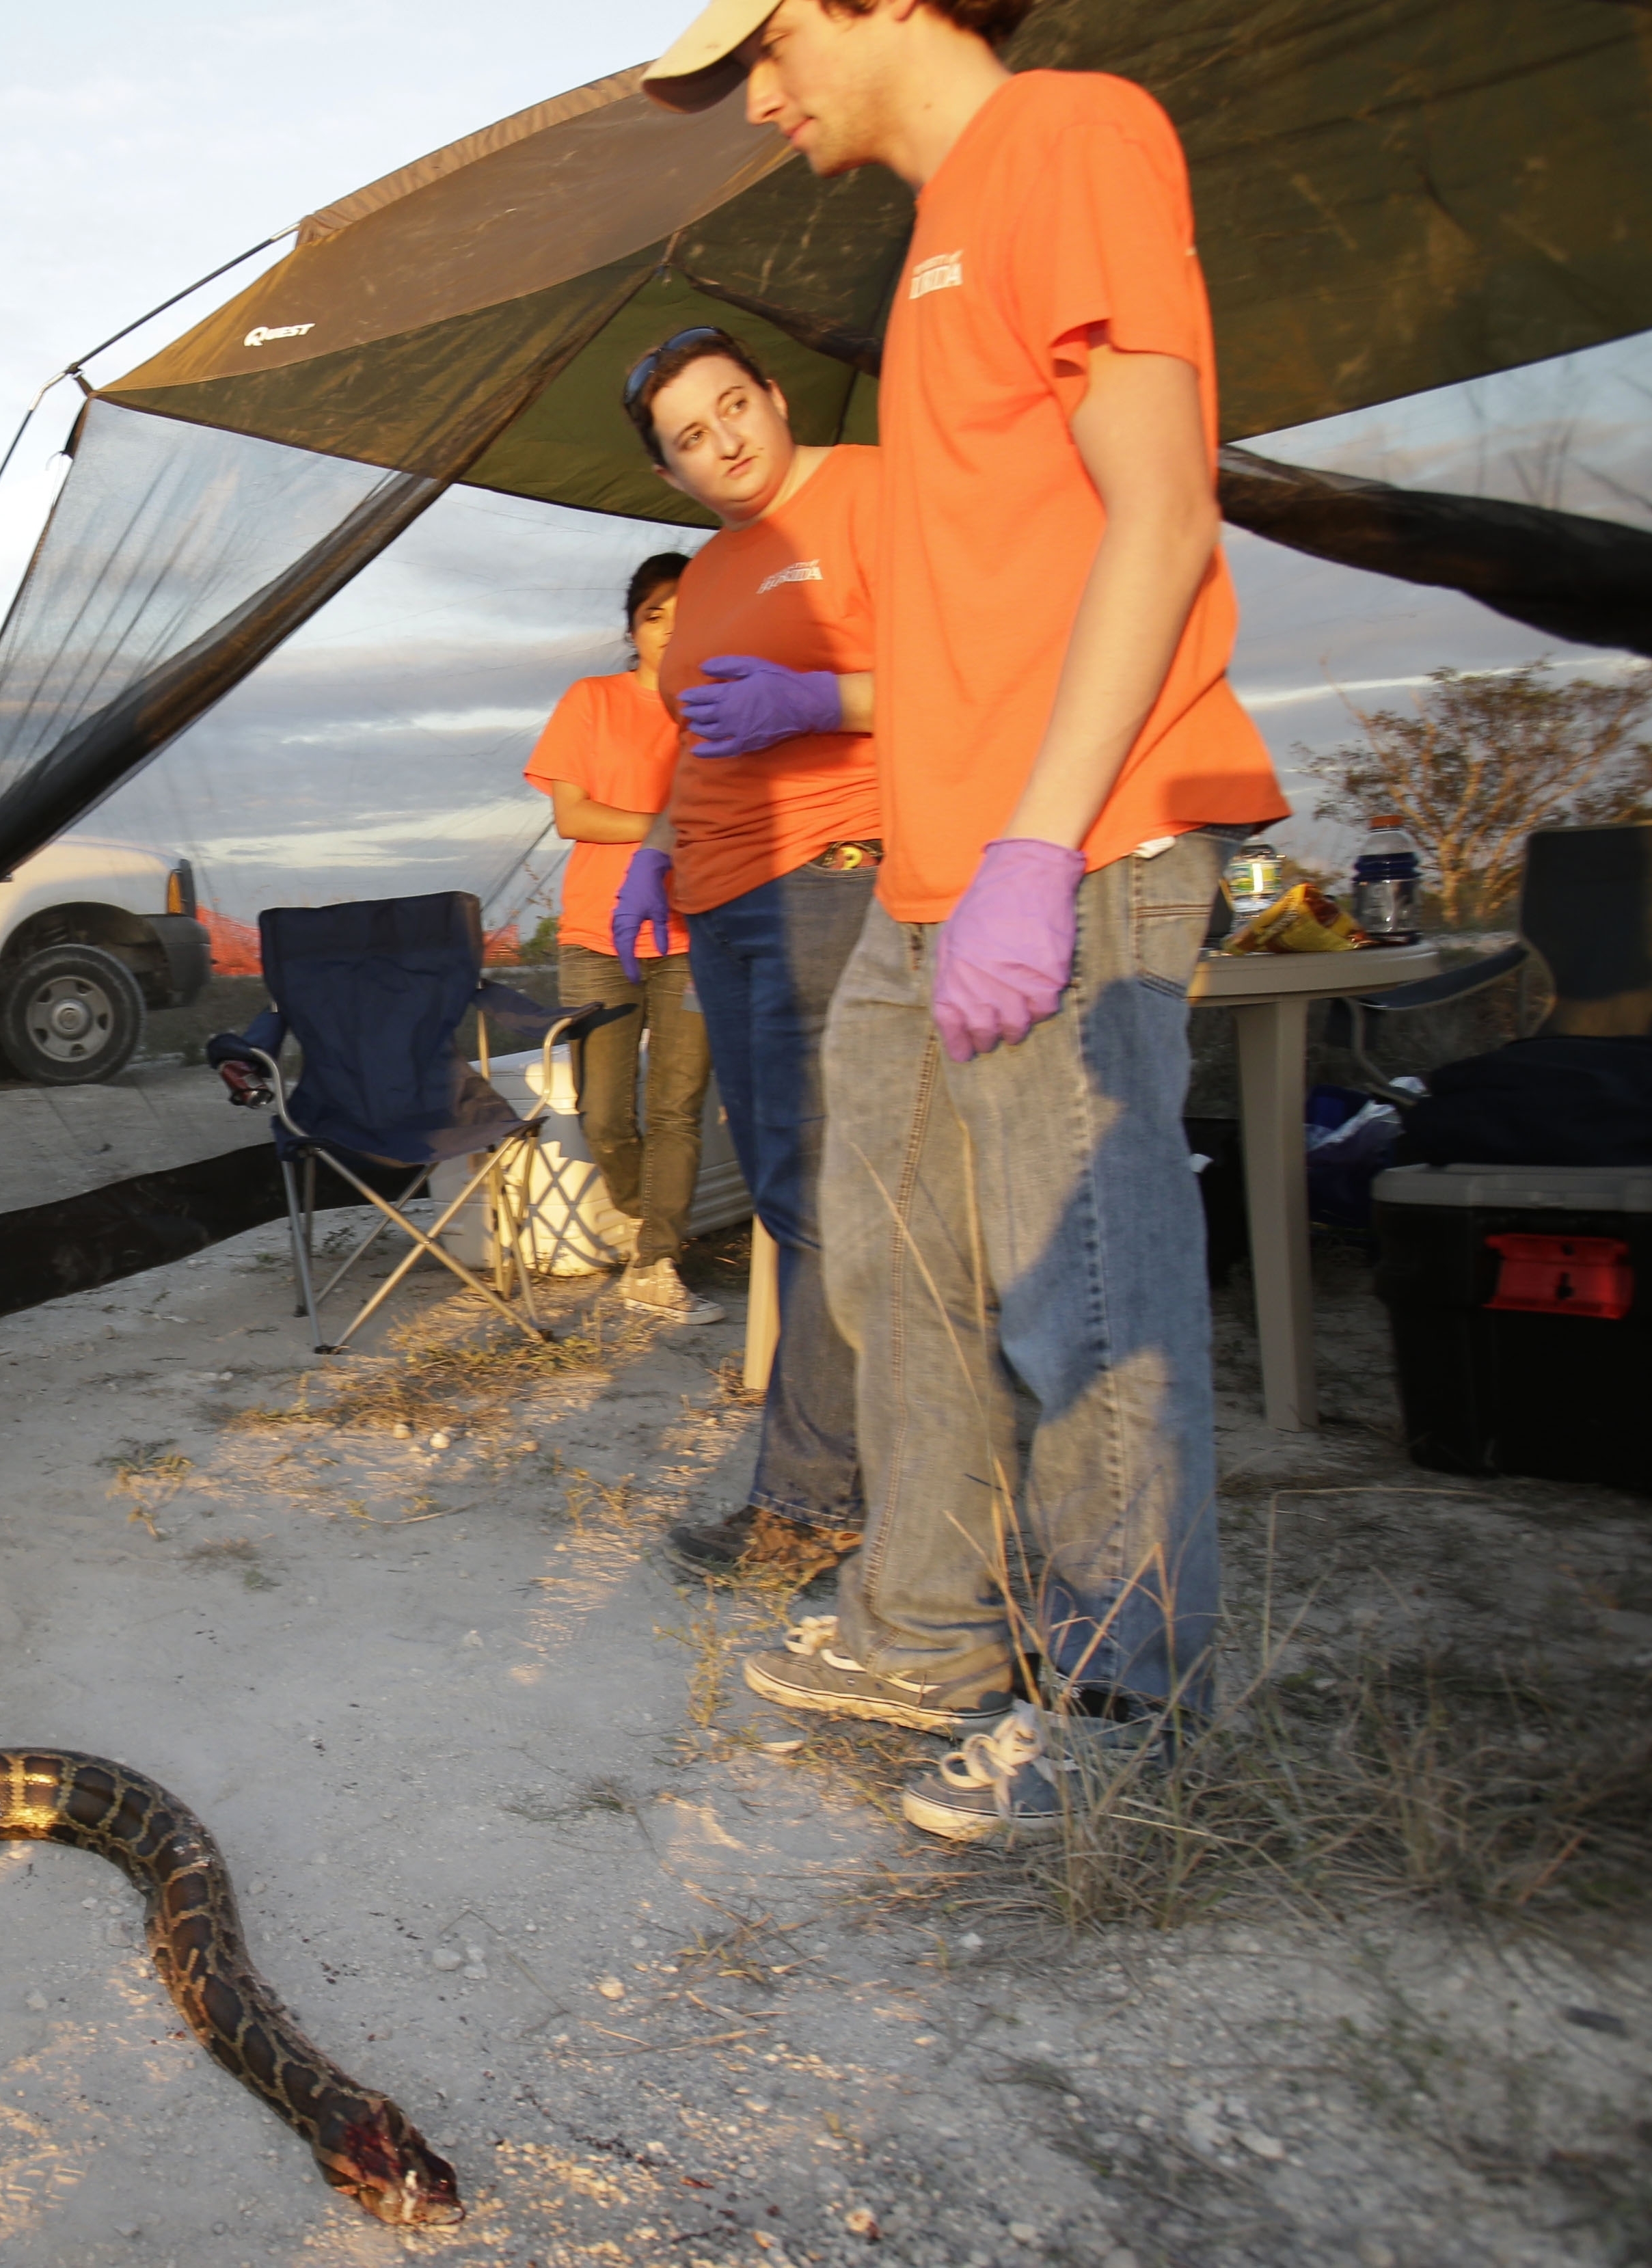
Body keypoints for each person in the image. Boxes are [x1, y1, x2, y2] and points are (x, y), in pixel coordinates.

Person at [644, 0, 1288, 1838]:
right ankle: (924, 1620)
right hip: (929, 864)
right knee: (891, 1249)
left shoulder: (1068, 137)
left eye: (764, 47)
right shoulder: (928, 236)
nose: (756, 98)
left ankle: (1124, 1693)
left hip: (1066, 839)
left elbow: (1158, 516)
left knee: (1076, 1264)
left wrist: (1035, 844)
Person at [608, 326, 882, 1584]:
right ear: (669, 475)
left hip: (829, 879)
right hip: (715, 902)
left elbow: (977, 665)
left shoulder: (871, 490)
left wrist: (820, 702)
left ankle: (818, 1505)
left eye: (733, 409)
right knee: (785, 1195)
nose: (724, 445)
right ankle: (826, 1488)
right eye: (689, 441)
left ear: (773, 396)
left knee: (825, 1198)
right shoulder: (715, 566)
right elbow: (691, 734)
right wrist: (653, 845)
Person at [522, 556, 724, 1322]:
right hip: (597, 935)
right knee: (604, 1113)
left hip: (694, 934)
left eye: (687, 612)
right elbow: (573, 817)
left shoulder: (717, 709)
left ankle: (658, 1263)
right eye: (655, 614)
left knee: (678, 1107)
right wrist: (670, 832)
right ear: (633, 627)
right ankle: (651, 1222)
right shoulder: (592, 701)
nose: (670, 630)